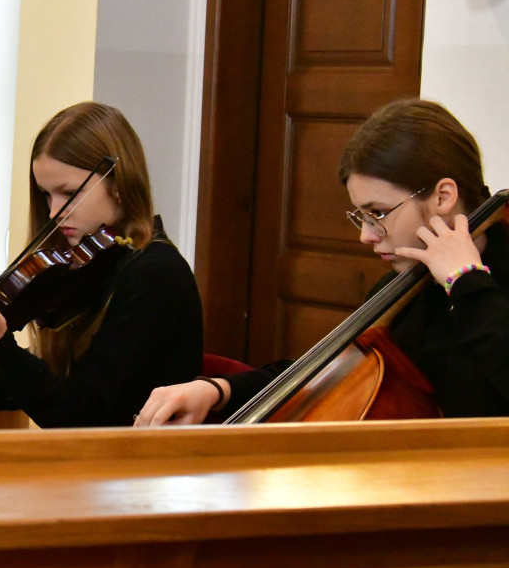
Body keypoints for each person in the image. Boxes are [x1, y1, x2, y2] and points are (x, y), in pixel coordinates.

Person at [135, 98, 509, 426]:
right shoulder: (407, 290)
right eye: (360, 216)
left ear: (443, 196)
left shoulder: (486, 282)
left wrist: (466, 281)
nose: (366, 235)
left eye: (378, 213)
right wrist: (218, 390)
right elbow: (325, 373)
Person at [0, 101, 203, 427]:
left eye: (68, 193)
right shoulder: (97, 266)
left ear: (118, 184)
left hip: (136, 470)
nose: (54, 211)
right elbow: (33, 382)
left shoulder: (154, 274)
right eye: (45, 194)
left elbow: (80, 415)